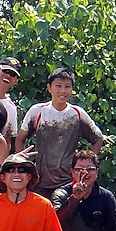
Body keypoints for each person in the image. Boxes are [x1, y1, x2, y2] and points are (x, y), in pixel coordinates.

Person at [15, 67, 104, 197]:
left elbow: (98, 139)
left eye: (67, 86)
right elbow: (20, 139)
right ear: (49, 87)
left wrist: (85, 166)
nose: (63, 91)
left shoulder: (77, 114)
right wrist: (22, 165)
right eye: (58, 86)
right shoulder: (37, 111)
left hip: (68, 182)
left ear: (72, 90)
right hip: (39, 181)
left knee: (66, 215)